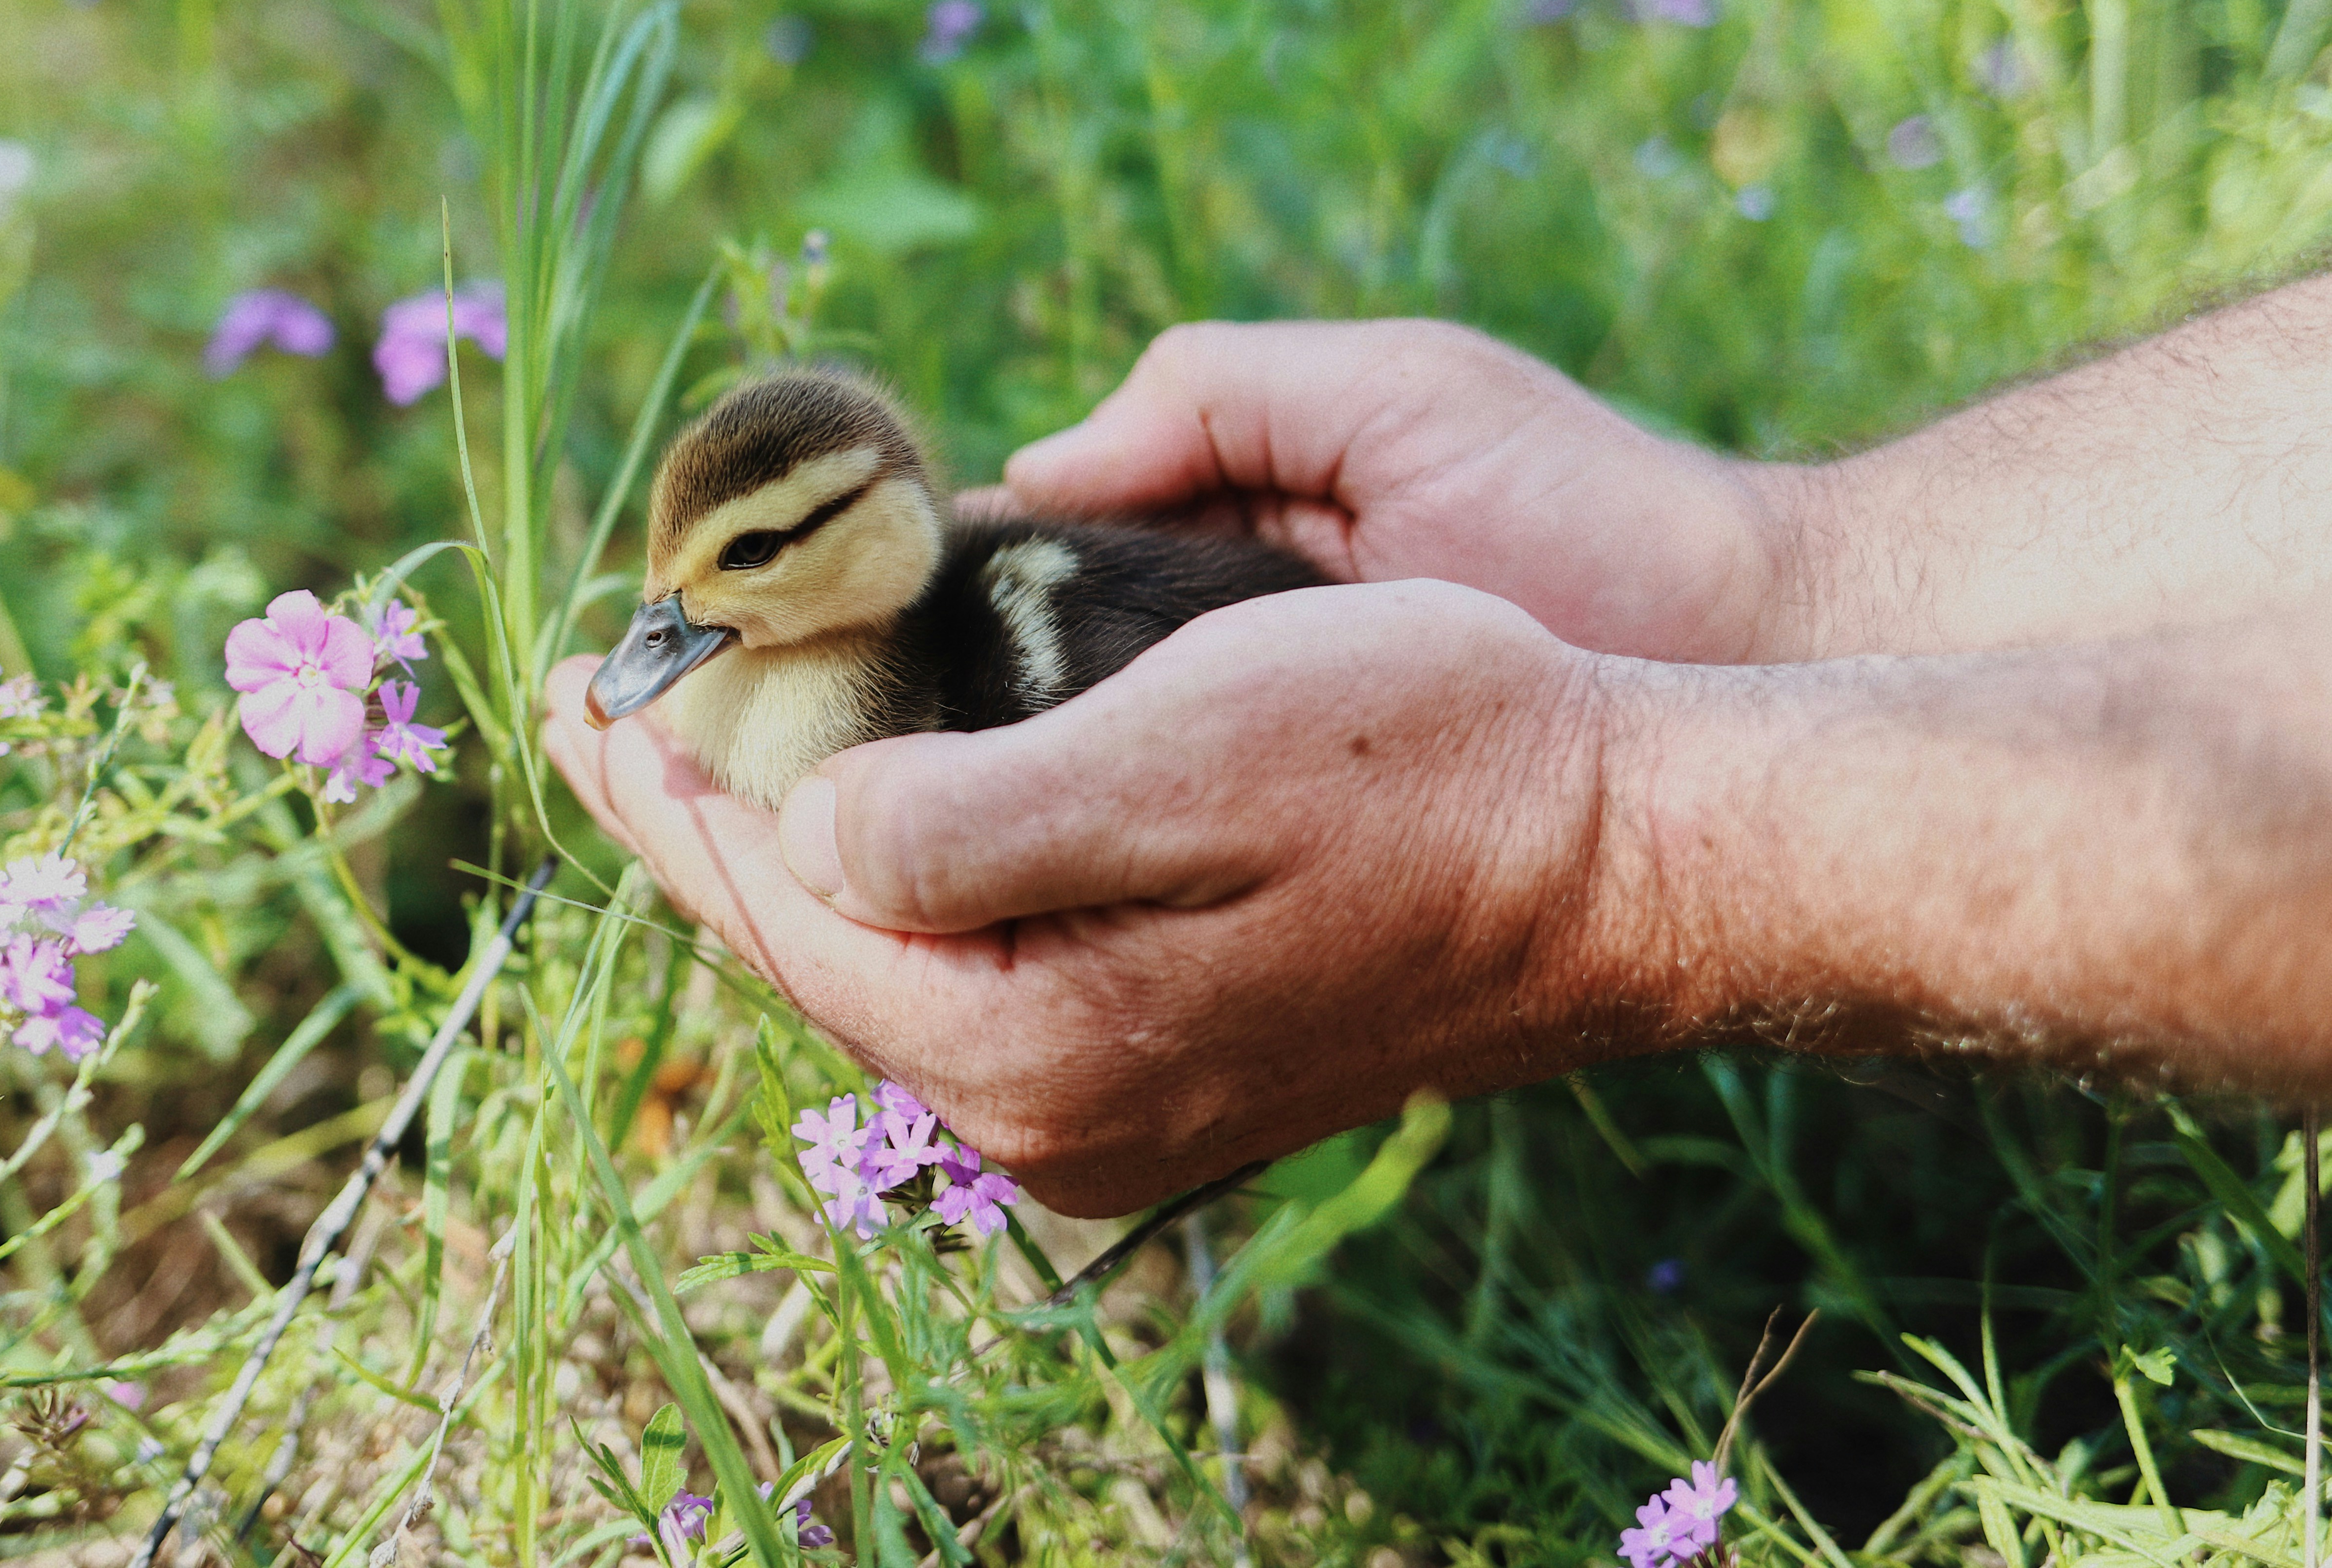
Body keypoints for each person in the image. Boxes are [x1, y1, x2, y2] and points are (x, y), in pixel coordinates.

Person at [544, 275, 2332, 1220]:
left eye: (749, 563)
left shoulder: (956, 650)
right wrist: (1778, 580)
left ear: (880, 525)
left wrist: (1576, 846)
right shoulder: (882, 629)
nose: (670, 629)